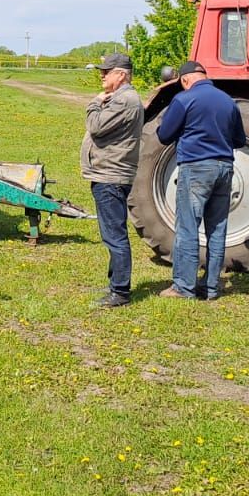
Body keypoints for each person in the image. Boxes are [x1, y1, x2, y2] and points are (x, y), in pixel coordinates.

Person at [156, 61, 246, 301]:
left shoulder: (184, 100)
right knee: (217, 230)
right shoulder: (228, 101)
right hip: (225, 169)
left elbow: (164, 136)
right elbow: (239, 139)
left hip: (196, 168)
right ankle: (211, 288)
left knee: (187, 228)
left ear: (185, 80)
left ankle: (184, 287)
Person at [81, 51, 144, 308]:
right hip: (109, 173)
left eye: (106, 71)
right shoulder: (122, 99)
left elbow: (95, 125)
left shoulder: (124, 101)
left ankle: (120, 291)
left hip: (111, 175)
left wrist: (95, 102)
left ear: (121, 74)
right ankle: (115, 284)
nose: (102, 75)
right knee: (112, 233)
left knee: (115, 235)